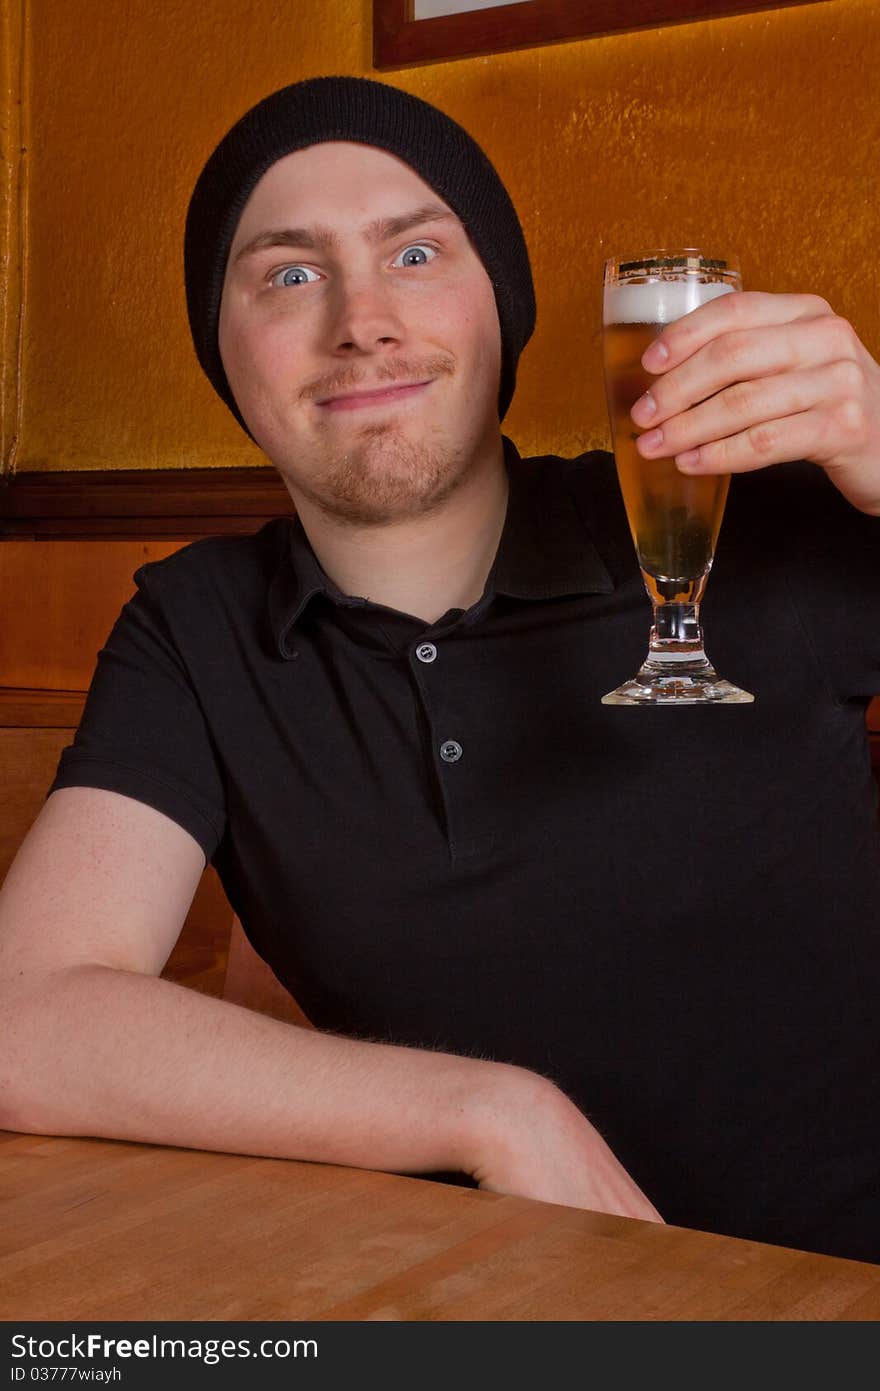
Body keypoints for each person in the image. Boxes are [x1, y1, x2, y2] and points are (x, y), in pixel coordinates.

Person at [1, 75, 879, 1264]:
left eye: (415, 255)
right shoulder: (198, 625)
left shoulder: (733, 519)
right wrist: (489, 1108)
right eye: (290, 274)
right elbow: (24, 1017)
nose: (359, 319)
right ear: (225, 353)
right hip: (491, 1321)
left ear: (502, 310)